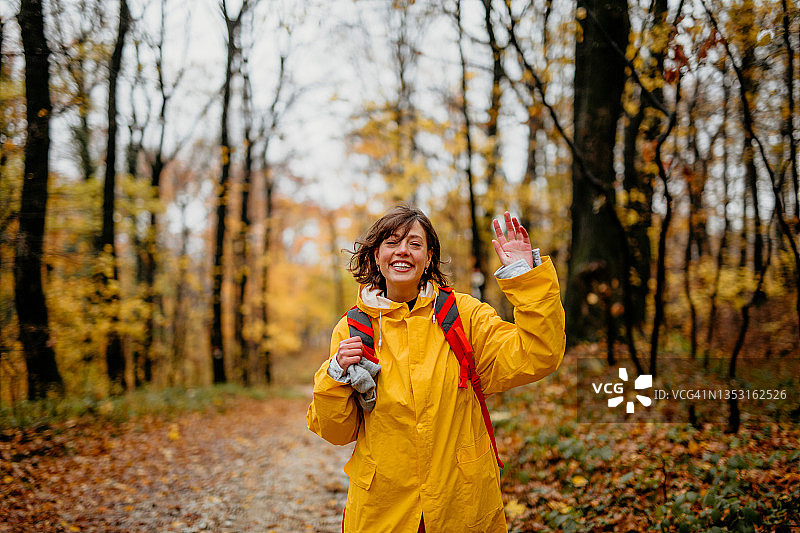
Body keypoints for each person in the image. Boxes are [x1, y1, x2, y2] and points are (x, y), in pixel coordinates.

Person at [307, 205, 566, 533]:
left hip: (460, 504)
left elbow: (538, 354)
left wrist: (524, 276)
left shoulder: (463, 316)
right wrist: (333, 376)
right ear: (376, 256)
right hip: (383, 510)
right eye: (391, 242)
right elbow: (336, 432)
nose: (403, 250)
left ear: (429, 258)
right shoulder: (352, 329)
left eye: (414, 244)